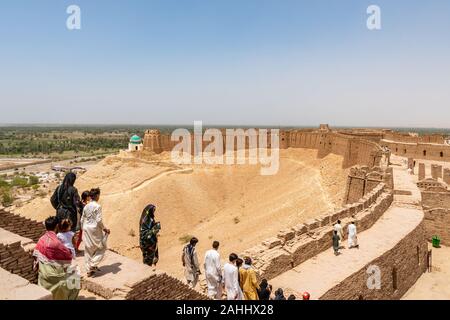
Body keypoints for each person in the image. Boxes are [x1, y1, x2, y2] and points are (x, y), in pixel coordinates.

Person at [33, 216, 80, 300]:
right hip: (54, 275)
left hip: (43, 274)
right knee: (75, 278)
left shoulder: (41, 239)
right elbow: (68, 257)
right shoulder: (56, 243)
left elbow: (36, 256)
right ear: (57, 226)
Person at [81, 188, 110, 276]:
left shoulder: (86, 206)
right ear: (97, 196)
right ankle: (93, 264)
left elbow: (82, 219)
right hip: (94, 229)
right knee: (102, 247)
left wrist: (84, 229)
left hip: (86, 228)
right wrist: (104, 229)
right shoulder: (97, 206)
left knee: (88, 249)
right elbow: (98, 220)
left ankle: (88, 271)